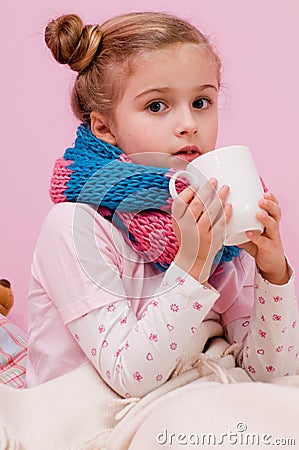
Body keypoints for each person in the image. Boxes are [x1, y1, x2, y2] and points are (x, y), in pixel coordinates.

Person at [25, 12, 298, 396]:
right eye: (157, 106)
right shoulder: (74, 227)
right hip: (92, 415)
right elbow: (129, 380)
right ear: (103, 126)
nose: (188, 123)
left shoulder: (222, 223)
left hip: (193, 404)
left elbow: (273, 374)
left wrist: (273, 273)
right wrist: (191, 264)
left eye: (202, 101)